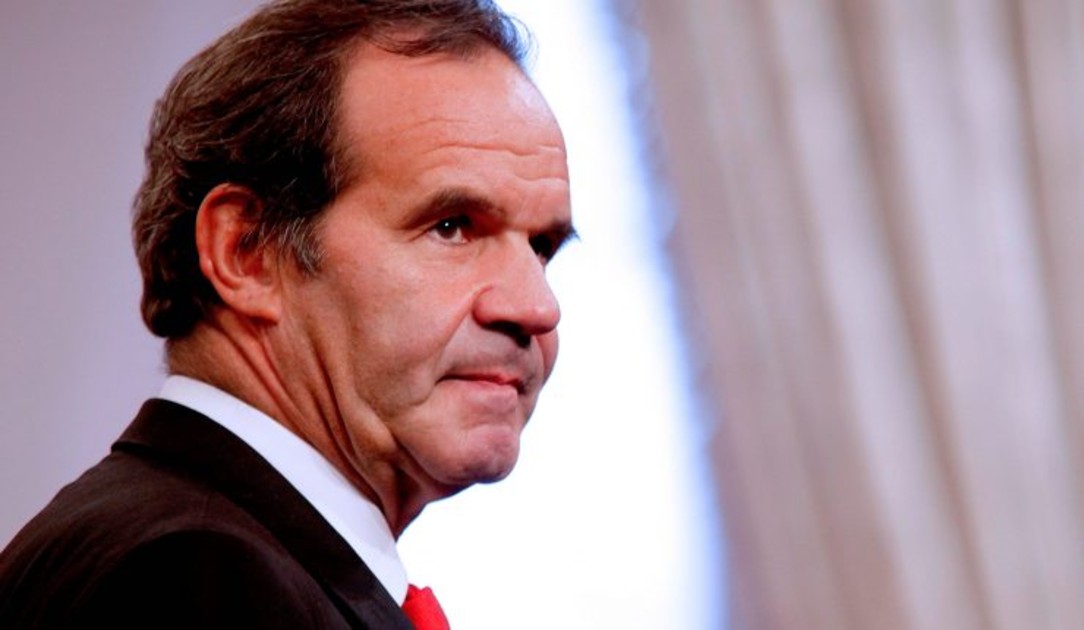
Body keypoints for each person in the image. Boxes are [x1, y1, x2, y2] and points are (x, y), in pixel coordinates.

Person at [0, 0, 574, 627]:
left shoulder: (204, 545)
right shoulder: (195, 575)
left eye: (542, 246)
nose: (537, 307)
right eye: (451, 226)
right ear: (247, 253)